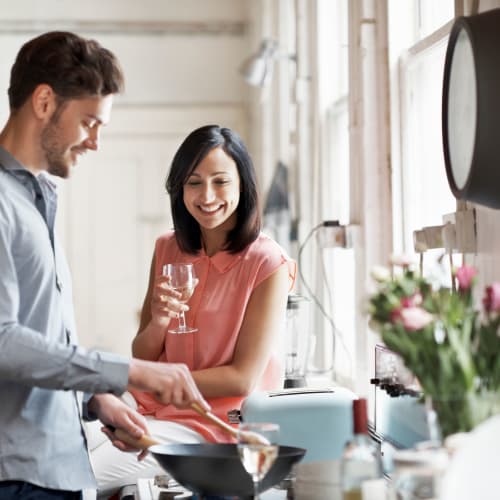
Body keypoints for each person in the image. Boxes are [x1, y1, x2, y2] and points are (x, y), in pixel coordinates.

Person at [0, 31, 209, 500]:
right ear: (44, 101)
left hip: (55, 466)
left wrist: (96, 400)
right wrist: (131, 371)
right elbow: (3, 342)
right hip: (18, 477)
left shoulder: (38, 197)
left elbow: (44, 342)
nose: (96, 142)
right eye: (90, 122)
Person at [90, 124, 296, 496]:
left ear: (242, 186)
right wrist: (160, 319)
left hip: (210, 423)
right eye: (194, 183)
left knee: (79, 473)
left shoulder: (267, 262)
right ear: (179, 189)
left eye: (220, 181)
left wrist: (162, 381)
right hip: (147, 404)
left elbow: (243, 379)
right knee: (56, 442)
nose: (207, 196)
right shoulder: (168, 248)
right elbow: (143, 353)